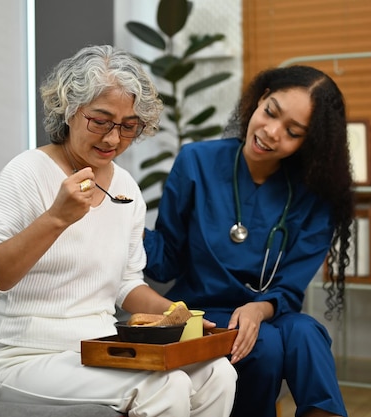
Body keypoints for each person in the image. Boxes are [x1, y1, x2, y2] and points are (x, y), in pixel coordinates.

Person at [0, 45, 237, 417]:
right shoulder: (25, 173)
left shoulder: (126, 187)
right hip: (24, 357)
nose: (112, 139)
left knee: (218, 373)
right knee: (164, 386)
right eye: (100, 120)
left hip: (98, 347)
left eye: (128, 126)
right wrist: (55, 219)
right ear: (70, 110)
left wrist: (178, 314)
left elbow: (126, 283)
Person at [143, 65, 354, 417]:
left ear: (308, 143)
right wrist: (118, 219)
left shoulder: (316, 197)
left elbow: (289, 289)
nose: (271, 133)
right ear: (259, 99)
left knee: (306, 332)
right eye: (270, 112)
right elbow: (168, 258)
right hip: (202, 314)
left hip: (268, 315)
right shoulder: (196, 162)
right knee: (268, 344)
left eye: (293, 132)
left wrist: (258, 309)